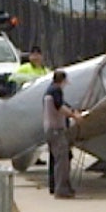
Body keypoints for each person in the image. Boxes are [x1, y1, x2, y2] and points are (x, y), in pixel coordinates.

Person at [43, 70, 82, 199]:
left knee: (59, 159)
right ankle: (62, 189)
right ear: (63, 80)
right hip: (56, 130)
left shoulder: (50, 90)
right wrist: (74, 115)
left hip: (50, 129)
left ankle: (58, 186)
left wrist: (71, 110)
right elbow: (60, 107)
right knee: (62, 160)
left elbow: (62, 104)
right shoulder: (56, 90)